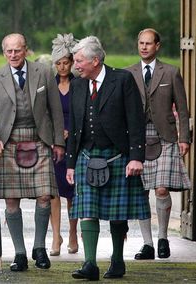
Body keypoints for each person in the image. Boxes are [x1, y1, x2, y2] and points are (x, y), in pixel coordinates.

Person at [66, 36, 151, 280]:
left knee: (117, 212)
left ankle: (117, 260)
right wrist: (71, 163)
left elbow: (136, 120)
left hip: (117, 155)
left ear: (95, 60)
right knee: (87, 210)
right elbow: (74, 127)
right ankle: (89, 264)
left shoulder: (122, 80)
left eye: (79, 61)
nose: (75, 65)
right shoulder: (78, 85)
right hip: (86, 155)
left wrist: (136, 157)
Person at [0, 33, 65, 272]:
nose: (13, 55)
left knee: (45, 196)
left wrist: (58, 142)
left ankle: (39, 247)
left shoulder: (44, 72)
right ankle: (19, 253)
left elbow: (55, 111)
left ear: (26, 50)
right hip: (7, 143)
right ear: (3, 52)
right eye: (9, 51)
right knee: (11, 200)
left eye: (18, 50)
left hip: (40, 139)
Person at [127, 28, 191, 260]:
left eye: (148, 43)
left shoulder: (171, 72)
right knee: (141, 191)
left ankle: (163, 238)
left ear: (158, 46)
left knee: (161, 188)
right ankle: (147, 245)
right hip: (137, 138)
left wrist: (184, 138)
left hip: (165, 136)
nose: (144, 47)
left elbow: (182, 109)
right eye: (140, 43)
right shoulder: (128, 73)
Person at [49, 33, 79, 256]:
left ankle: (72, 233)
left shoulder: (80, 85)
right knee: (53, 192)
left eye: (65, 62)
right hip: (54, 145)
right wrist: (53, 136)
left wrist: (72, 133)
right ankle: (56, 236)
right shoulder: (49, 85)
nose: (62, 67)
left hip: (75, 144)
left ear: (72, 62)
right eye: (58, 63)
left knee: (72, 192)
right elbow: (44, 114)